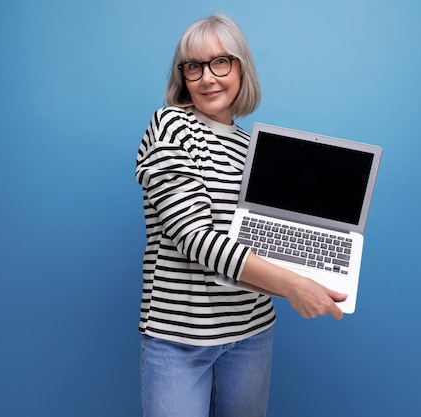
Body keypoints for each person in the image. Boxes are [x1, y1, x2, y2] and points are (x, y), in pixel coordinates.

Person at [135, 13, 347, 417]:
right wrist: (294, 286)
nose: (208, 78)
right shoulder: (169, 126)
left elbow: (262, 236)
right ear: (183, 77)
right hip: (179, 339)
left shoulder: (254, 149)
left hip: (251, 332)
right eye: (194, 67)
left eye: (220, 62)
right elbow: (195, 238)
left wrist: (315, 262)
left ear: (241, 68)